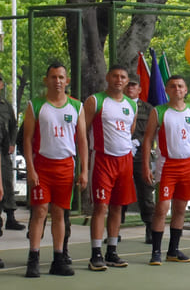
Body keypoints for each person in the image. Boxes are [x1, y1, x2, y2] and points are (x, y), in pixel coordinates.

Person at [21, 63, 88, 277]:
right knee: (40, 211)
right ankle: (33, 258)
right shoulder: (35, 105)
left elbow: (83, 141)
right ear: (46, 80)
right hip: (42, 166)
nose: (57, 81)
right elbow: (27, 140)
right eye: (53, 77)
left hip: (66, 167)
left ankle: (58, 258)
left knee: (59, 213)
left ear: (67, 81)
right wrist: (31, 169)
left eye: (61, 77)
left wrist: (84, 170)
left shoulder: (76, 106)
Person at [142, 75, 190, 265]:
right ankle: (156, 251)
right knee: (162, 208)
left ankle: (173, 250)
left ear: (186, 90)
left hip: (187, 165)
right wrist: (146, 165)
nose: (177, 89)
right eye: (173, 86)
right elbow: (148, 139)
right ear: (167, 90)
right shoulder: (159, 112)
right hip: (167, 165)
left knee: (180, 208)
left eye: (180, 86)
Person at [84, 65, 137, 271]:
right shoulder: (95, 101)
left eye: (123, 77)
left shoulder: (131, 104)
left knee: (118, 206)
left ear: (127, 81)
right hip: (102, 159)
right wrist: (83, 162)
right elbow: (83, 130)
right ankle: (96, 253)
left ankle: (112, 251)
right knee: (101, 207)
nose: (119, 79)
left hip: (125, 161)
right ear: (108, 77)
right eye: (115, 76)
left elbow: (129, 131)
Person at [124, 78, 155, 244]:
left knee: (145, 190)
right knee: (119, 190)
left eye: (133, 85)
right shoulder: (117, 105)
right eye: (128, 85)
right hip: (120, 152)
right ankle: (115, 228)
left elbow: (152, 132)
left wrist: (138, 142)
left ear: (139, 89)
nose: (130, 88)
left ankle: (150, 228)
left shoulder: (148, 109)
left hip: (141, 155)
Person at [0, 72, 24, 231]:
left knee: (7, 182)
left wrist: (12, 143)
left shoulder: (6, 105)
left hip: (3, 152)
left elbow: (14, 125)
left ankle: (10, 217)